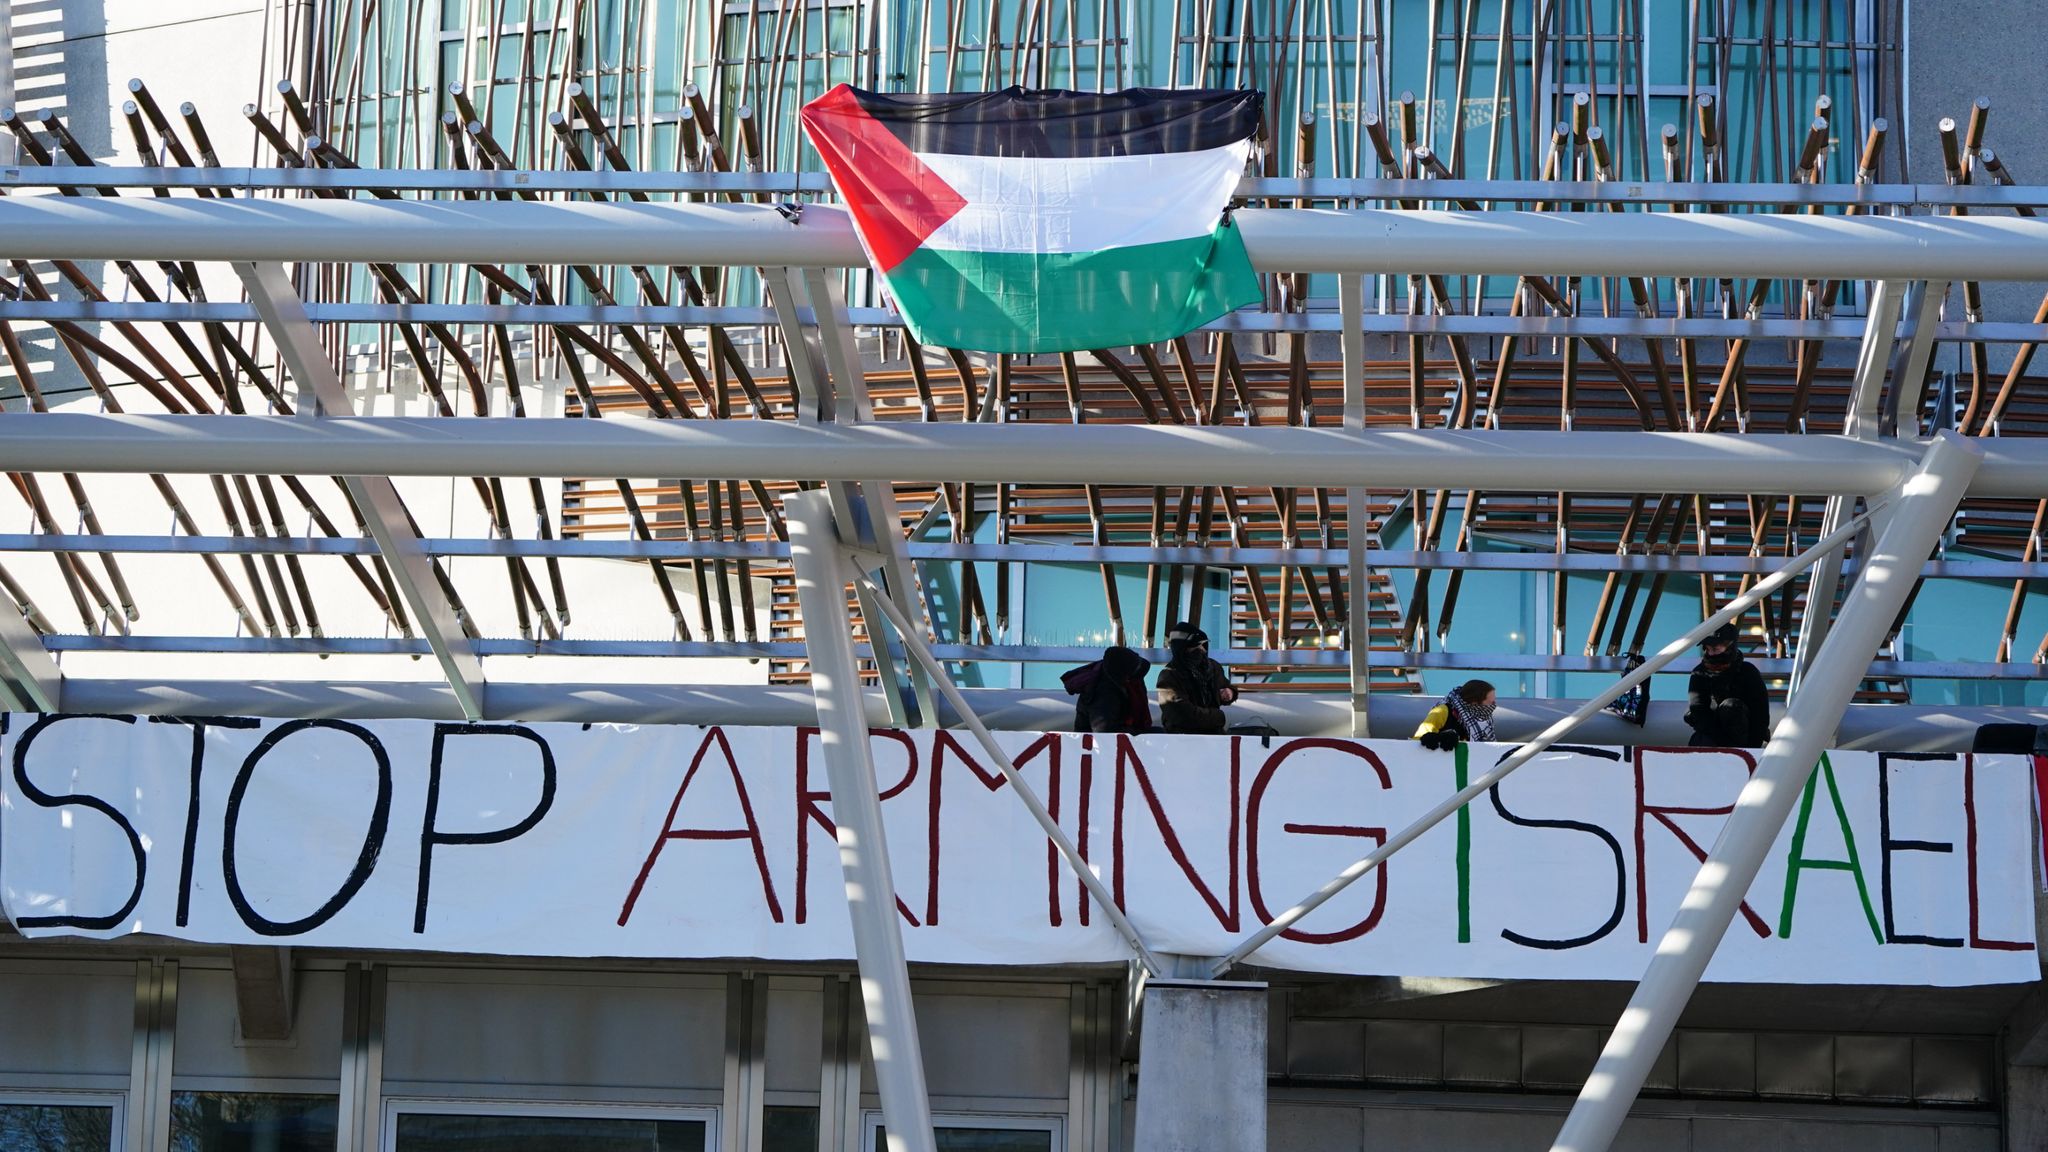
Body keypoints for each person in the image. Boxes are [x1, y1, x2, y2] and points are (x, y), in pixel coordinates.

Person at [1685, 622, 1770, 748]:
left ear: (1730, 647)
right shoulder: (1700, 673)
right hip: (1711, 736)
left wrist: (1752, 749)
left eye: (1715, 649)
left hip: (1744, 738)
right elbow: (1698, 710)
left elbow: (1760, 714)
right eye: (1707, 649)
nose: (1711, 654)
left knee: (1732, 707)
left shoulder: (1748, 672)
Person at [1156, 622, 1237, 734]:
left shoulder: (1212, 667)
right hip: (1183, 739)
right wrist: (1218, 716)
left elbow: (1224, 685)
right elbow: (1182, 715)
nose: (1203, 650)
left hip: (1214, 736)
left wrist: (1230, 692)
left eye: (1203, 645)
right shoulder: (1169, 676)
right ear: (1183, 649)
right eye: (1197, 647)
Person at [1060, 645, 1154, 734]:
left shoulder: (1126, 682)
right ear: (1123, 674)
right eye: (1132, 672)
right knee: (1159, 735)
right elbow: (1105, 732)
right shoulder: (1103, 693)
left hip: (1110, 740)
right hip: (1098, 747)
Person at [1413, 679, 1497, 751]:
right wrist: (1440, 738)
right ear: (1475, 703)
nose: (1494, 705)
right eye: (1491, 703)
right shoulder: (1442, 711)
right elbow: (1418, 739)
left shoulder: (1483, 718)